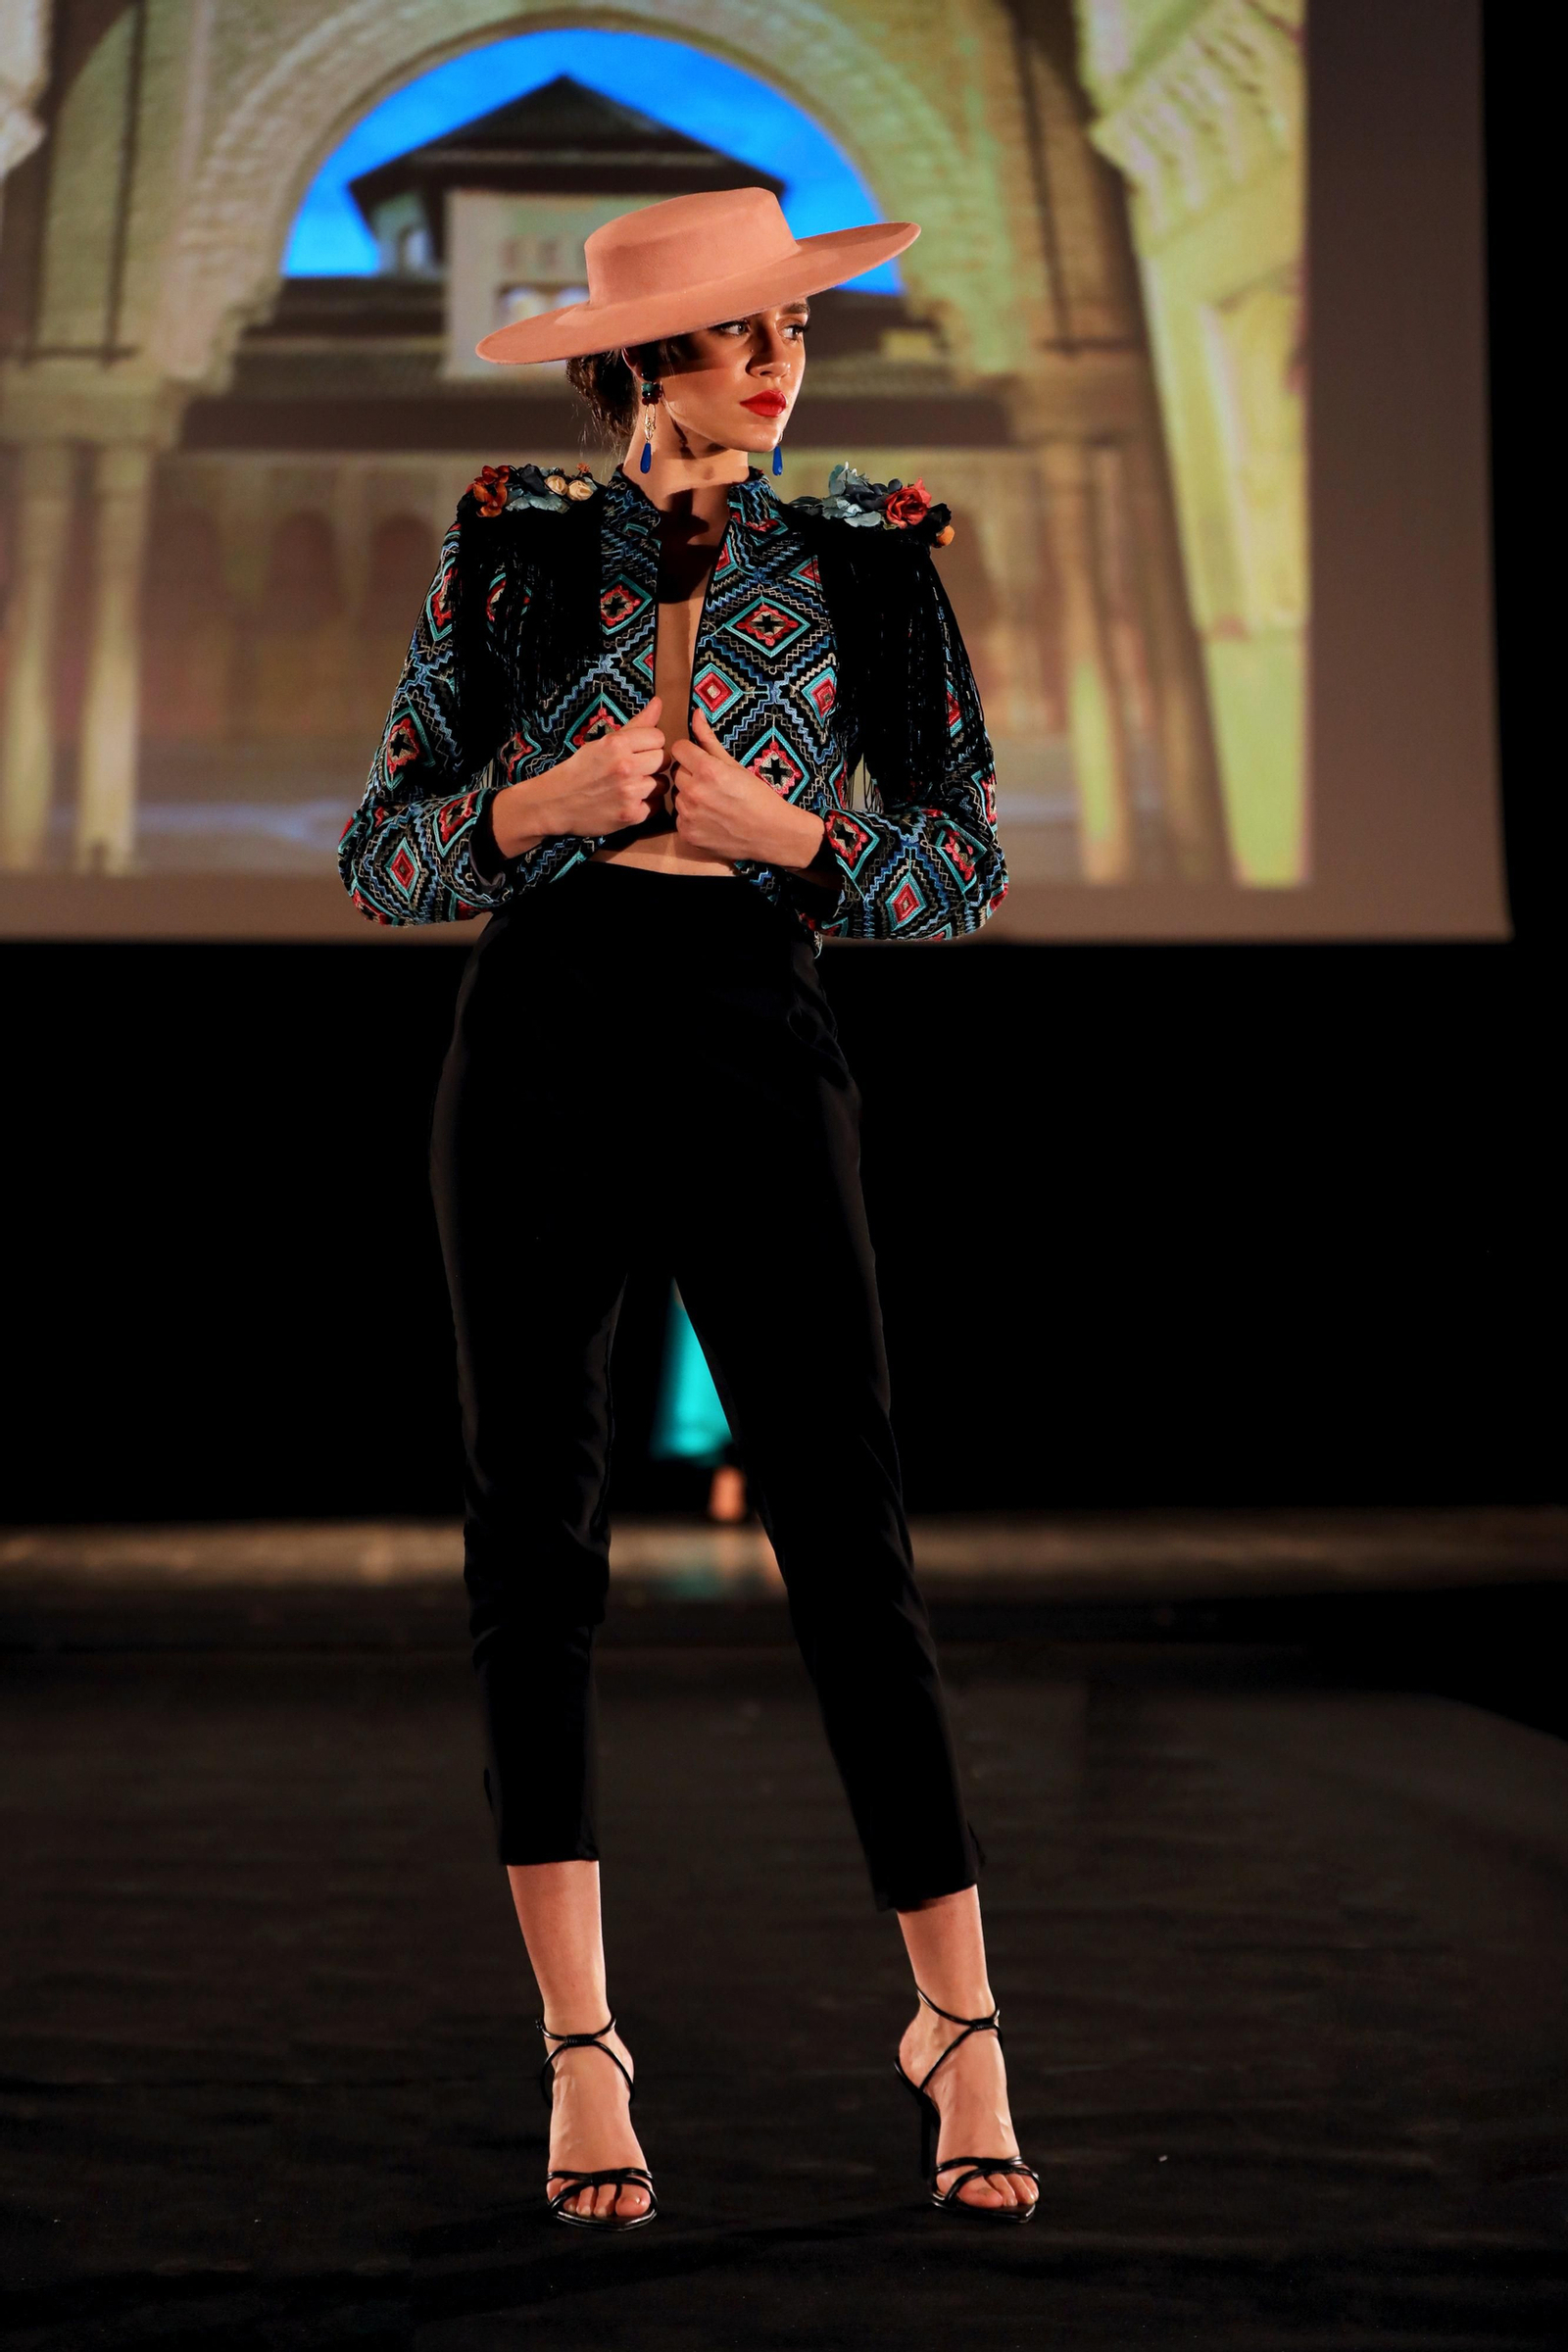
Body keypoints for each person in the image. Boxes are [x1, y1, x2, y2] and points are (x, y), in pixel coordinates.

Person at [339, 186, 1034, 2230]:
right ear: (634, 364)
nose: (778, 360)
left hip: (749, 1017)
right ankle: (580, 2042)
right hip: (542, 1031)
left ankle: (960, 2023)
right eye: (739, 333)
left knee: (843, 1527)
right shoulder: (510, 551)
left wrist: (786, 832)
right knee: (532, 1536)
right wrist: (523, 815)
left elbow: (962, 873)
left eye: (794, 329)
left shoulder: (872, 568)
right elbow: (384, 857)